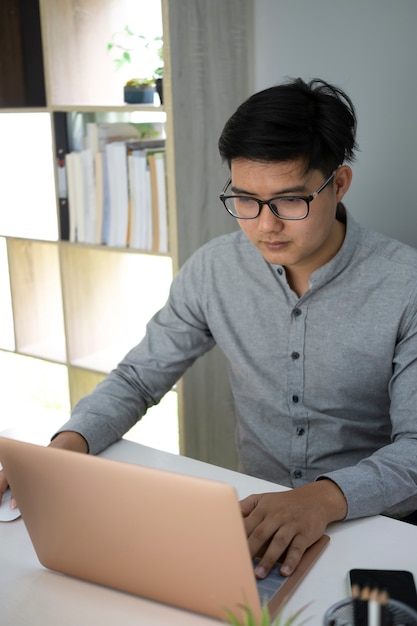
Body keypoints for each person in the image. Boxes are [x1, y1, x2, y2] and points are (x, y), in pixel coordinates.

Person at [1, 78, 417, 580]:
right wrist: (62, 453)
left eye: (289, 201)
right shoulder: (215, 269)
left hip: (375, 525)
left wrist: (322, 500)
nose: (265, 225)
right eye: (244, 199)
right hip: (252, 522)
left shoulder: (405, 285)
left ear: (340, 183)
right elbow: (138, 378)